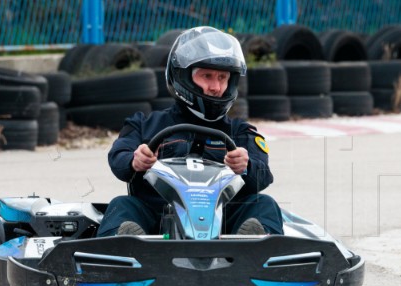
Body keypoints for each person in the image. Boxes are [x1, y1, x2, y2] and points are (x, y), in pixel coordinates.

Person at [96, 26, 284, 237]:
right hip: (155, 220)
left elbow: (264, 176)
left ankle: (254, 246)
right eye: (207, 76)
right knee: (122, 205)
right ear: (183, 76)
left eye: (222, 78)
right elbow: (118, 158)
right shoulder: (144, 125)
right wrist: (134, 161)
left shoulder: (240, 132)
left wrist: (245, 166)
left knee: (264, 204)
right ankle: (125, 246)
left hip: (224, 223)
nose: (215, 87)